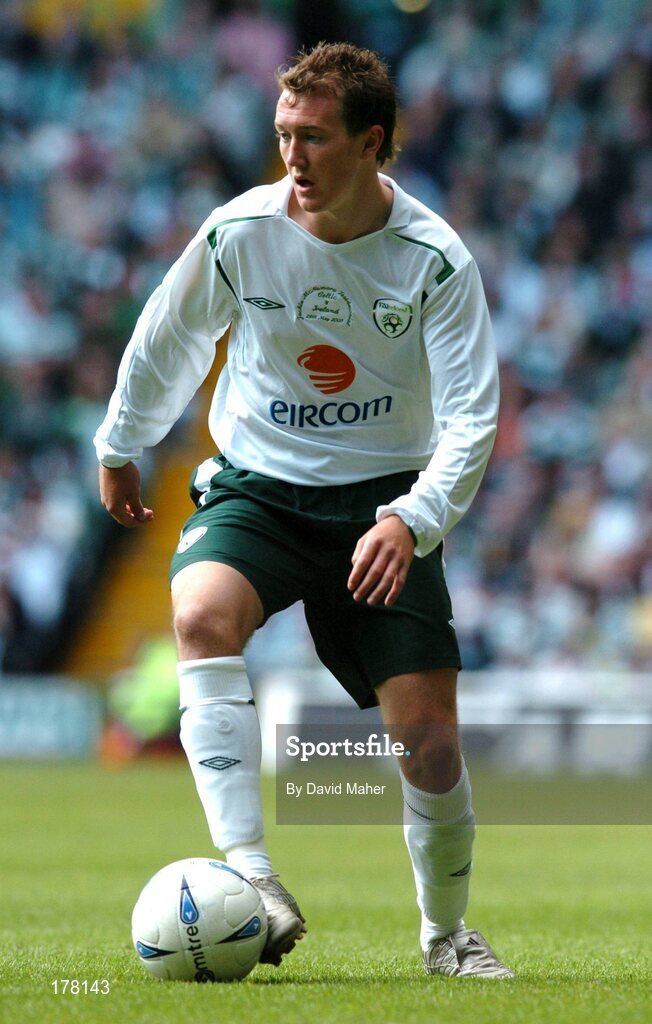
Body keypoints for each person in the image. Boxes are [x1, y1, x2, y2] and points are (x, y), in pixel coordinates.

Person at [95, 41, 513, 979]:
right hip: (259, 486)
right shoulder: (238, 232)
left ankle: (445, 934)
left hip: (383, 508)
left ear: (372, 145)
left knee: (430, 741)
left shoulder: (436, 262)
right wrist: (120, 443)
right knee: (200, 615)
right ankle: (251, 875)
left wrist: (414, 518)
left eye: (315, 138)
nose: (293, 157)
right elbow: (166, 338)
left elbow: (473, 417)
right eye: (284, 134)